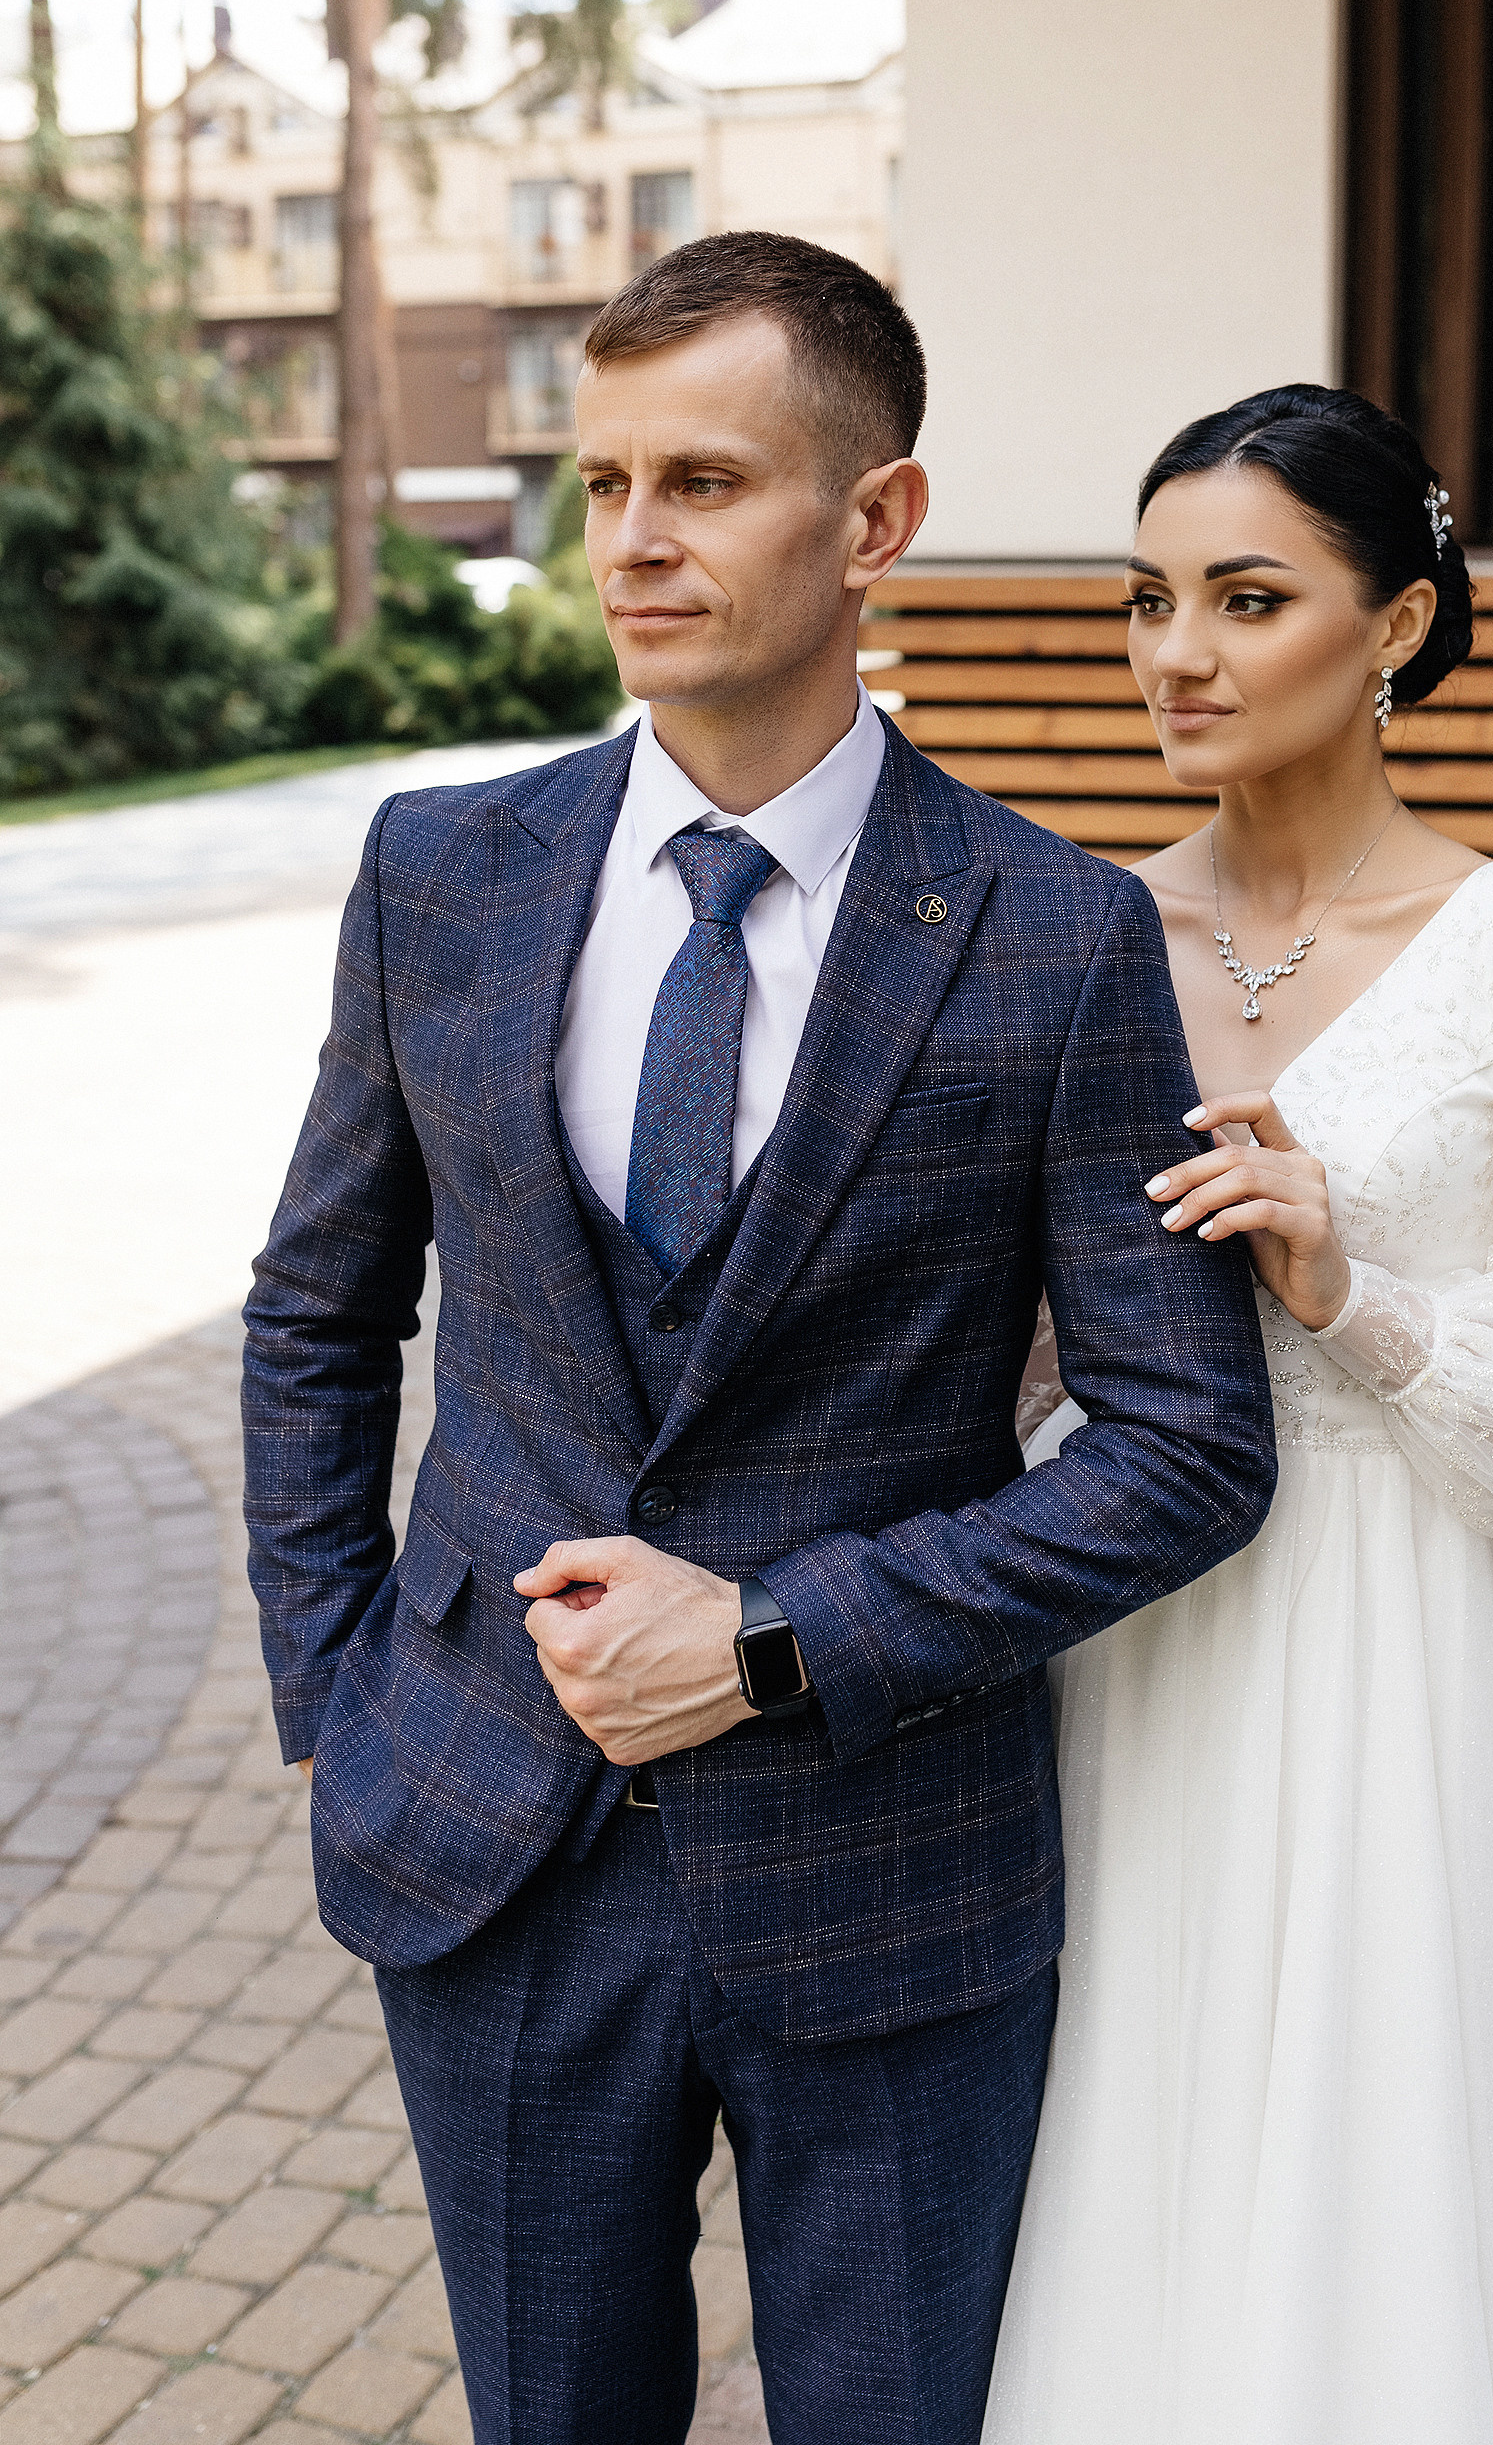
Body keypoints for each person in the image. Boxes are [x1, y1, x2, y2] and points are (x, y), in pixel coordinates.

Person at [240, 233, 1277, 2445]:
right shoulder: (441, 873)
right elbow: (320, 1309)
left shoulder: (1051, 937)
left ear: (875, 520)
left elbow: (1188, 1443)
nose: (633, 541)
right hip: (487, 1841)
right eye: (604, 483)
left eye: (701, 479)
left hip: (891, 1876)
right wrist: (336, 1686)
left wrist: (780, 1635)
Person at [984, 386, 1493, 2445]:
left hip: (1400, 1644)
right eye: (1146, 600)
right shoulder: (1076, 933)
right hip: (1125, 1627)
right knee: (1127, 2128)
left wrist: (1362, 1296)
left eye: (1248, 599)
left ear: (1398, 622)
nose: (1178, 653)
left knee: (1392, 2159)